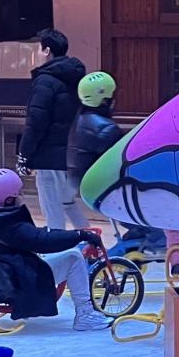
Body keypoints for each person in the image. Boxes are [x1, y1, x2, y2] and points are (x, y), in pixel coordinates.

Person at [0, 167, 108, 331]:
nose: (21, 196)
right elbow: (40, 240)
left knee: (65, 252)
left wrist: (59, 234)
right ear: (8, 200)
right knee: (74, 257)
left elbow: (31, 236)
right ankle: (85, 314)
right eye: (18, 193)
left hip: (10, 273)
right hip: (22, 279)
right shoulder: (9, 225)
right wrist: (79, 235)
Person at [69, 71, 167, 260]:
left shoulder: (80, 120)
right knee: (159, 201)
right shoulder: (105, 129)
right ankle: (160, 242)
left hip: (83, 183)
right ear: (105, 100)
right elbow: (127, 159)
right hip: (107, 191)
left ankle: (139, 234)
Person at [16, 28, 88, 231]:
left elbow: (36, 122)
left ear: (47, 51)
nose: (37, 54)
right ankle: (90, 238)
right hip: (71, 154)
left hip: (48, 155)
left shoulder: (45, 81)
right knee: (67, 202)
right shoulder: (75, 78)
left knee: (51, 205)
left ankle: (55, 244)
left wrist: (24, 155)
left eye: (38, 49)